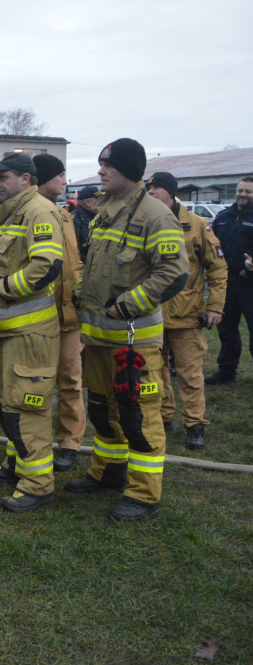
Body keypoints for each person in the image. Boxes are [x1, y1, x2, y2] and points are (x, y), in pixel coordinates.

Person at [68, 138, 188, 522]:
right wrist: (81, 291)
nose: (100, 171)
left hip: (134, 343)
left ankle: (144, 495)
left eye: (108, 166)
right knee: (103, 411)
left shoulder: (154, 214)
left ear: (129, 171)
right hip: (99, 338)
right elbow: (97, 265)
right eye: (101, 165)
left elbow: (174, 272)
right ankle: (108, 474)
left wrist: (129, 304)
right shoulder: (107, 212)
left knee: (140, 418)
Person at [0, 153, 64, 513]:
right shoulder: (11, 213)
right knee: (5, 402)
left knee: (27, 408)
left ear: (26, 179)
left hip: (29, 334)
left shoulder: (39, 212)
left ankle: (38, 485)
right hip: (5, 330)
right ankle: (17, 465)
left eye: (4, 176)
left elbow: (47, 265)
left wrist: (5, 290)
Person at [145, 172, 226, 449]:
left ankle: (194, 424)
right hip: (151, 314)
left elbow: (217, 268)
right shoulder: (146, 221)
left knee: (190, 374)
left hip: (187, 315)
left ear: (170, 191)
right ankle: (163, 417)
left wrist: (215, 306)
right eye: (149, 187)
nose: (151, 192)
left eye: (156, 187)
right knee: (155, 372)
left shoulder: (196, 225)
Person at [34, 154, 86, 472]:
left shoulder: (66, 217)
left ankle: (69, 443)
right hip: (37, 318)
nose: (65, 182)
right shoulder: (23, 215)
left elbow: (73, 263)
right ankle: (34, 443)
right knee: (36, 383)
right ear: (44, 178)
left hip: (69, 316)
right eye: (60, 175)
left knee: (71, 381)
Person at [206, 176, 253, 384]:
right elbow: (211, 244)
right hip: (227, 283)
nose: (243, 194)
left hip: (250, 283)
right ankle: (226, 372)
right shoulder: (224, 216)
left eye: (248, 191)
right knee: (226, 329)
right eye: (240, 190)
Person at [73, 186, 99, 263]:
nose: (103, 203)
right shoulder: (73, 221)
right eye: (100, 200)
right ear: (88, 203)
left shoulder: (98, 217)